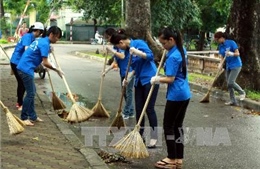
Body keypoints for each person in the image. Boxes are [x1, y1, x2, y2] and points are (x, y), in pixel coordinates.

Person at [109, 31, 159, 148]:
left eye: (118, 46)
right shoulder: (127, 51)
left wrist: (138, 52)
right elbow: (135, 67)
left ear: (121, 42)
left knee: (149, 109)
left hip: (150, 79)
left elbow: (151, 57)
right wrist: (128, 78)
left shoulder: (139, 43)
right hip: (139, 81)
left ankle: (154, 137)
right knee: (139, 109)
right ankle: (139, 136)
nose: (119, 49)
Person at [152, 27, 191, 169]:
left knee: (169, 127)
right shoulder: (181, 50)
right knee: (177, 126)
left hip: (176, 95)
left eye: (164, 43)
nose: (163, 46)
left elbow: (170, 78)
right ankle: (179, 158)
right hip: (185, 93)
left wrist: (157, 79)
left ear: (171, 40)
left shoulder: (174, 56)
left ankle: (171, 158)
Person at [16, 26, 64, 126]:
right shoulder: (45, 44)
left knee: (32, 92)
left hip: (24, 67)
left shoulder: (42, 41)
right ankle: (24, 118)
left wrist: (49, 50)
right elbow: (45, 63)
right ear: (51, 35)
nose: (57, 40)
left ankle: (32, 116)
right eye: (57, 37)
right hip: (26, 69)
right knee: (31, 94)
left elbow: (39, 53)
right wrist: (56, 69)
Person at [10, 22, 45, 111]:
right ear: (37, 31)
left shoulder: (32, 38)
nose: (40, 34)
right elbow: (27, 50)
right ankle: (20, 103)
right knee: (22, 83)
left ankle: (20, 101)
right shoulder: (28, 37)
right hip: (17, 62)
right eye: (40, 32)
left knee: (23, 83)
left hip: (20, 62)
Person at [103, 28, 135, 119]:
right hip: (123, 72)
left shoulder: (122, 46)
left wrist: (111, 50)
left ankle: (126, 111)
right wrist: (106, 70)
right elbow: (115, 62)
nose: (108, 40)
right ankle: (131, 111)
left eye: (108, 37)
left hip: (129, 72)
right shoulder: (116, 47)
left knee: (128, 92)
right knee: (124, 92)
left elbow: (122, 56)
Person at [214, 31, 246, 106]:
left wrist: (231, 53)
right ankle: (233, 101)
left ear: (221, 38)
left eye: (217, 40)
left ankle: (242, 92)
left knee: (230, 82)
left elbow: (237, 54)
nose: (217, 41)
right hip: (228, 66)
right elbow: (221, 57)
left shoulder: (231, 43)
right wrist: (220, 65)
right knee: (229, 85)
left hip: (236, 65)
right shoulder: (220, 46)